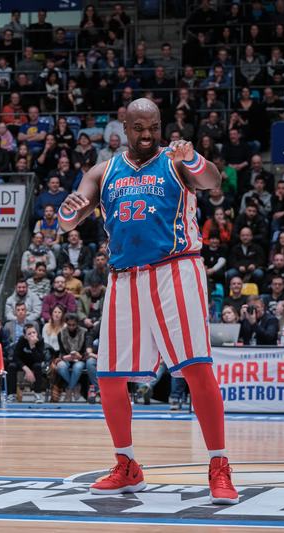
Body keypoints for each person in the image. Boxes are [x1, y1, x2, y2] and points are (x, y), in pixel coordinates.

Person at [57, 98, 239, 503]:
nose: (146, 135)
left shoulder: (176, 162)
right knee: (108, 377)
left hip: (177, 270)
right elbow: (71, 218)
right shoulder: (102, 171)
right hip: (124, 277)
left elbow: (213, 182)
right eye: (138, 127)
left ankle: (219, 465)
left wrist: (193, 160)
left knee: (196, 369)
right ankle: (127, 464)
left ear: (161, 125)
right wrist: (67, 214)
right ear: (123, 126)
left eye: (153, 127)